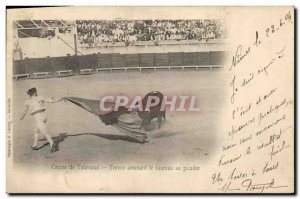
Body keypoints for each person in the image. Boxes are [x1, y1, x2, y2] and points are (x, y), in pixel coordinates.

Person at [20, 87, 64, 152]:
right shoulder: (39, 97)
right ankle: (35, 145)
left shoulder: (27, 101)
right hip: (44, 116)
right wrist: (59, 99)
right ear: (34, 93)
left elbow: (24, 110)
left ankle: (52, 144)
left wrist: (22, 116)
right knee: (36, 131)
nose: (36, 93)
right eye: (36, 92)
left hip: (38, 117)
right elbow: (50, 100)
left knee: (44, 132)